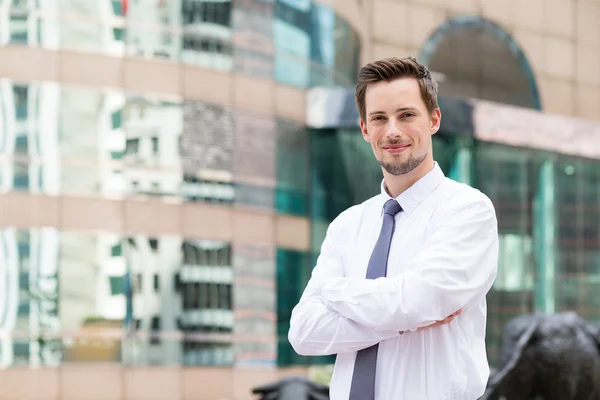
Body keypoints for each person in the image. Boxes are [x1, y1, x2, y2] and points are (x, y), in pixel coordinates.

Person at [288, 57, 499, 400]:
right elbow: (304, 332)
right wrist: (404, 318)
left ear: (433, 119)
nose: (393, 131)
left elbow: (420, 300)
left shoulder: (466, 210)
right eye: (379, 118)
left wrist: (335, 292)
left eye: (406, 115)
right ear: (364, 129)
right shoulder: (347, 225)